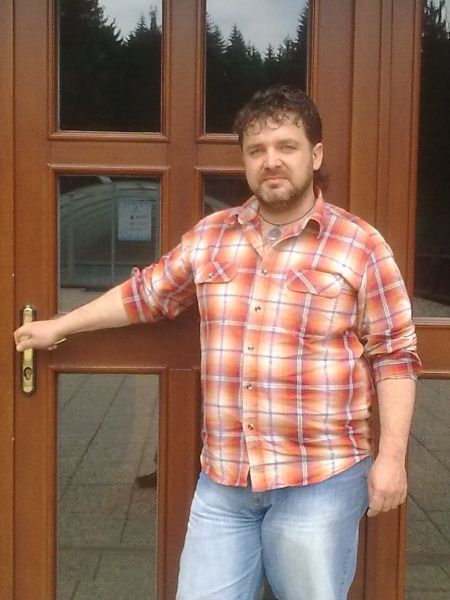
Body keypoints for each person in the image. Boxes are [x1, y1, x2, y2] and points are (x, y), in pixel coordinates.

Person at [15, 85, 421, 600]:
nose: (271, 161)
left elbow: (394, 355)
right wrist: (60, 326)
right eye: (256, 150)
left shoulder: (360, 245)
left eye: (287, 146)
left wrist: (392, 459)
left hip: (320, 478)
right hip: (225, 481)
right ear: (245, 161)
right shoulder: (212, 236)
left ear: (315, 155)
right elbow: (147, 294)